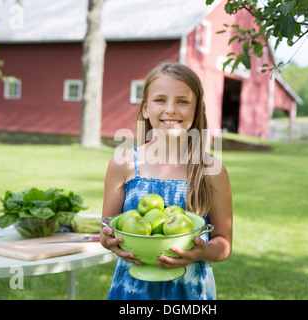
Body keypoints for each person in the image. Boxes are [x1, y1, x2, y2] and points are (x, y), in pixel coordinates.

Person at [100, 62, 233, 300]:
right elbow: (106, 230)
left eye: (182, 101)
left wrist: (201, 253)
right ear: (145, 109)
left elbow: (223, 243)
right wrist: (110, 240)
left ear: (196, 110)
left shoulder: (211, 170)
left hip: (189, 292)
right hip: (132, 291)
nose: (171, 109)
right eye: (160, 100)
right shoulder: (123, 164)